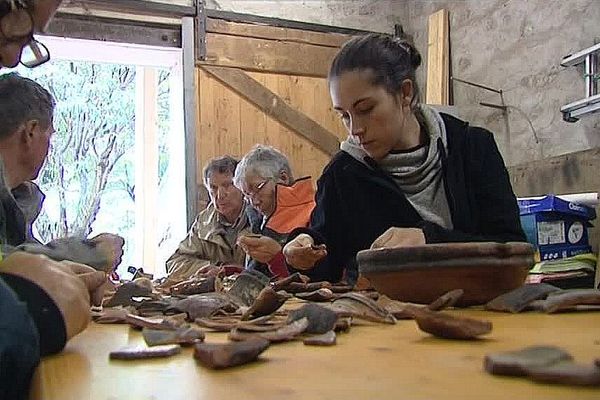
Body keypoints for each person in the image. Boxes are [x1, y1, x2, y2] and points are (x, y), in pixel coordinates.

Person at [283, 33, 525, 284]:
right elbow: (325, 267)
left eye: (365, 109)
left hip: (484, 310)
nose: (354, 129)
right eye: (344, 115)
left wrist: (429, 240)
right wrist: (301, 250)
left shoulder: (473, 148)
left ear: (405, 93)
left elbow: (514, 251)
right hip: (388, 319)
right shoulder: (341, 174)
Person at [0, 1, 114, 399]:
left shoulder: (17, 198)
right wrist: (38, 305)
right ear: (30, 132)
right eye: (19, 28)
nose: (12, 56)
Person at [0, 72, 125, 270]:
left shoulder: (15, 201)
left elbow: (19, 255)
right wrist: (91, 254)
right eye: (49, 135)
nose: (49, 149)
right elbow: (6, 262)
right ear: (30, 132)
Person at [164, 156, 259, 284]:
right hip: (213, 297)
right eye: (213, 188)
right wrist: (209, 268)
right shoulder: (204, 222)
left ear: (242, 187)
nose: (220, 195)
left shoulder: (259, 217)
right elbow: (174, 263)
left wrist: (227, 271)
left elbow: (268, 271)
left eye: (227, 185)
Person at [234, 145, 316, 278]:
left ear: (283, 178)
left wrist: (277, 258)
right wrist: (229, 272)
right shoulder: (259, 220)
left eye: (258, 188)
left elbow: (320, 279)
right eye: (247, 195)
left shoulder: (315, 214)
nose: (254, 201)